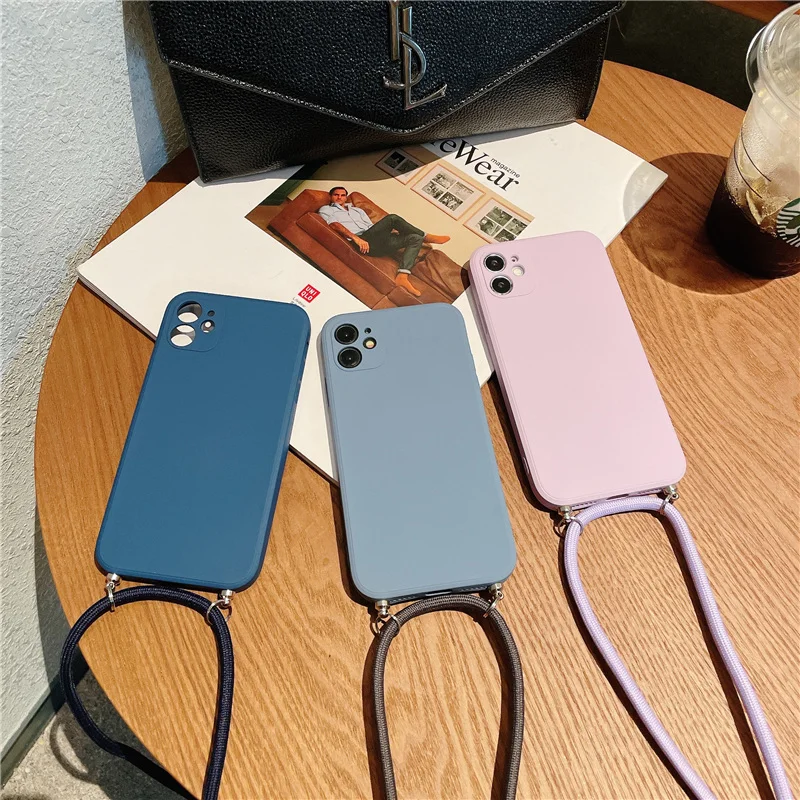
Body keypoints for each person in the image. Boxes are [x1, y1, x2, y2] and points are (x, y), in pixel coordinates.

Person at [317, 187, 450, 297]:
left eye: (342, 195)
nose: (339, 197)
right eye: (336, 195)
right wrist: (356, 238)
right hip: (362, 241)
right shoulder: (326, 209)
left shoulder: (357, 210)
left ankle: (402, 277)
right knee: (393, 218)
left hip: (377, 242)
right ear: (331, 197)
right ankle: (426, 236)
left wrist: (389, 233)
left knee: (415, 238)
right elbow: (333, 224)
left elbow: (371, 226)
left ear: (346, 197)